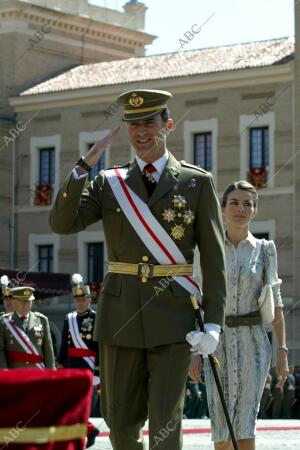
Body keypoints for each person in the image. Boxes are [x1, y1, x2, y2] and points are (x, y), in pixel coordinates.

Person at [49, 89, 227, 450]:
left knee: (166, 420)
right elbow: (61, 224)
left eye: (149, 122)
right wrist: (84, 166)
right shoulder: (109, 182)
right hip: (120, 316)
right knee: (120, 422)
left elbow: (213, 257)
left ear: (168, 125)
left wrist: (213, 322)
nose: (141, 131)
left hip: (174, 316)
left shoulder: (196, 182)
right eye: (133, 124)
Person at [204, 180, 289, 450]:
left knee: (245, 423)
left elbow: (275, 301)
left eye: (247, 204)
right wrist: (194, 351)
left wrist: (282, 350)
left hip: (254, 344)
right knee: (221, 424)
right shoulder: (208, 248)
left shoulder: (266, 250)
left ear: (254, 211)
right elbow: (196, 299)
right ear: (223, 208)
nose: (241, 208)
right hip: (216, 343)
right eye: (235, 203)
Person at [57, 273, 100, 447]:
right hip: (71, 368)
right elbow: (64, 346)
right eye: (77, 300)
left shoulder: (95, 318)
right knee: (71, 402)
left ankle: (87, 430)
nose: (80, 303)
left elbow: (98, 346)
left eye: (83, 300)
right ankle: (88, 429)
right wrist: (60, 365)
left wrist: (98, 371)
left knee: (82, 404)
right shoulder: (69, 318)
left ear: (89, 300)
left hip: (88, 368)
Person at [0, 286, 55, 368]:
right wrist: (4, 372)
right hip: (15, 374)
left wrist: (51, 375)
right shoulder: (4, 322)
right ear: (14, 302)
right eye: (22, 301)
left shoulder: (42, 320)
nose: (26, 305)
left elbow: (48, 351)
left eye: (29, 301)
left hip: (37, 373)